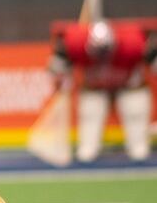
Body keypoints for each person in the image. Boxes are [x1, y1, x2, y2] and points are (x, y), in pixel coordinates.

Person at [49, 19, 155, 162]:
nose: (102, 56)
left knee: (139, 149)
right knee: (87, 151)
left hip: (129, 86)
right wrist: (61, 77)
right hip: (95, 88)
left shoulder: (134, 43)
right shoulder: (75, 43)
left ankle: (138, 147)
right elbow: (56, 65)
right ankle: (88, 149)